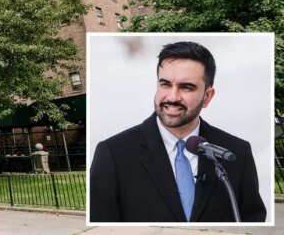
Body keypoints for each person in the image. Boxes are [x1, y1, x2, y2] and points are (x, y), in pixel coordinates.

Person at [89, 41, 266, 223]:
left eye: (186, 87)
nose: (172, 97)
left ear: (207, 96)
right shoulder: (113, 153)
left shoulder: (237, 152)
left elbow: (253, 219)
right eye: (165, 84)